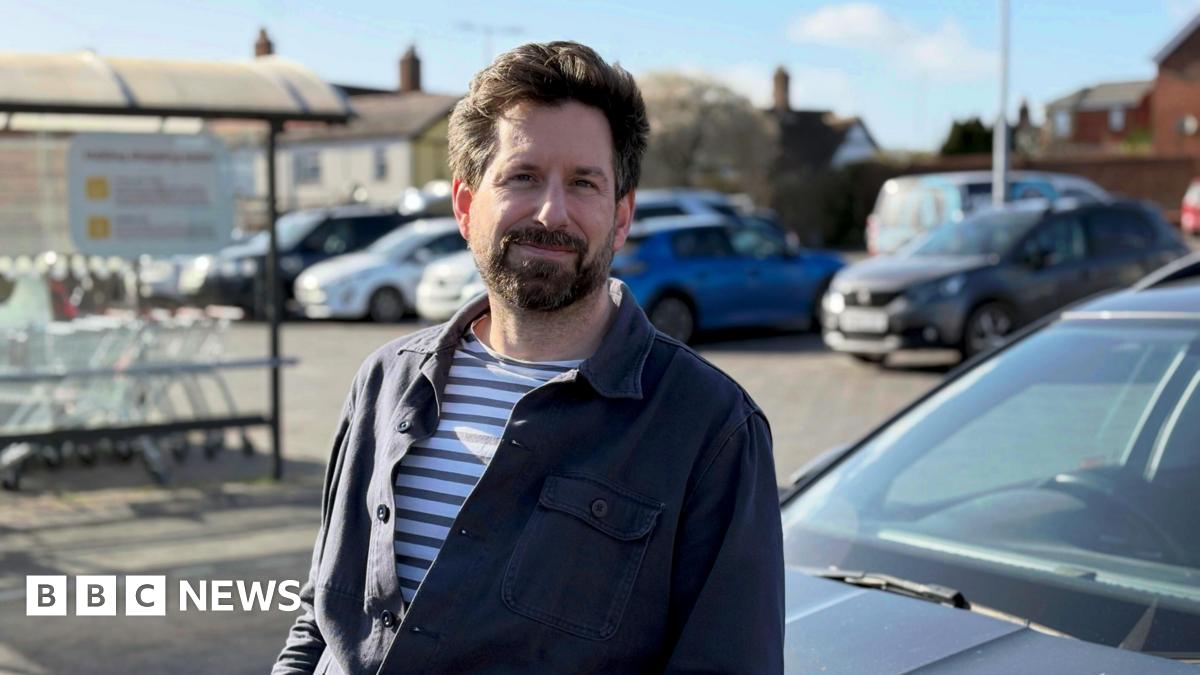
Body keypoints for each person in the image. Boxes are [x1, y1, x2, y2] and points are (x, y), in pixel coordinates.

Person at [274, 41, 783, 675]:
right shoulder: (384, 381)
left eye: (583, 183)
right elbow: (321, 611)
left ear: (621, 217)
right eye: (522, 176)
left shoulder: (710, 428)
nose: (551, 212)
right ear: (465, 205)